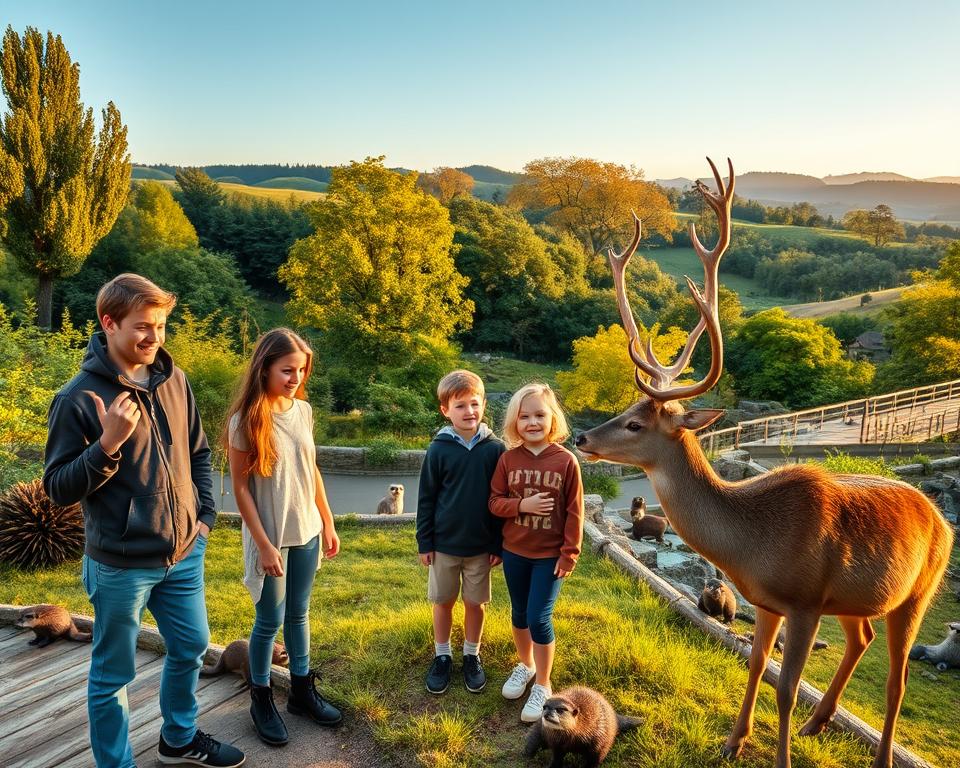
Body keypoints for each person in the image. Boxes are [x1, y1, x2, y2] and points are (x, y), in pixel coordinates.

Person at [43, 273, 244, 767]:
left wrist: (205, 515)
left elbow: (197, 450)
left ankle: (177, 739)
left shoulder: (173, 378)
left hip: (182, 553)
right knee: (113, 674)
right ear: (109, 324)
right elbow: (58, 487)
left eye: (161, 326)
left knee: (193, 645)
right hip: (120, 564)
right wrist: (107, 444)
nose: (155, 337)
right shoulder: (78, 398)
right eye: (143, 326)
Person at [225, 328, 342, 746]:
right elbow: (240, 488)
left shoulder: (303, 411)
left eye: (301, 370)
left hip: (306, 529)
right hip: (269, 537)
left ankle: (302, 691)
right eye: (286, 370)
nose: (295, 378)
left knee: (299, 613)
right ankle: (261, 697)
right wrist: (263, 544)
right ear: (264, 368)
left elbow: (311, 470)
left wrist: (327, 521)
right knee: (269, 620)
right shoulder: (245, 420)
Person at [488, 383, 584, 722]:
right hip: (514, 551)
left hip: (549, 556)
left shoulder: (566, 461)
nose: (532, 422)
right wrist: (522, 505)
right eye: (524, 416)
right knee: (518, 612)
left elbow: (575, 511)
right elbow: (495, 503)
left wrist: (569, 553)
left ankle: (543, 683)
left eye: (540, 415)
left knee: (538, 617)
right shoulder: (507, 459)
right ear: (514, 421)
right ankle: (525, 665)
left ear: (552, 418)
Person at [416, 369, 505, 695]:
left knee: (475, 603)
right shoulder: (438, 449)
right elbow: (427, 498)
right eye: (460, 406)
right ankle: (442, 656)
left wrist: (498, 542)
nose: (469, 412)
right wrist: (425, 541)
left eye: (474, 404)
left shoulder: (495, 449)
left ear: (483, 405)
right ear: (445, 410)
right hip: (443, 546)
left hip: (481, 546)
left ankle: (471, 654)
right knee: (443, 601)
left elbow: (501, 499)